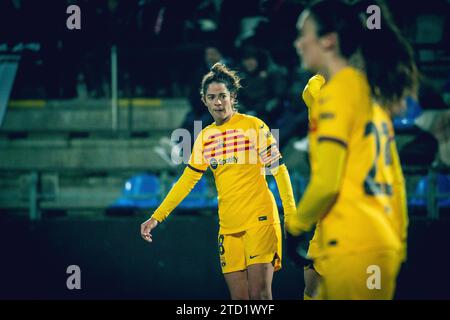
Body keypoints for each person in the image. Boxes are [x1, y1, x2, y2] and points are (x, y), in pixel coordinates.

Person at [286, 0, 416, 300]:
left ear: (328, 40)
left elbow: (326, 183)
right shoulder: (372, 94)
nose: (298, 43)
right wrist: (397, 240)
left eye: (303, 33)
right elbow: (395, 178)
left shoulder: (332, 94)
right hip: (378, 240)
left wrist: (294, 227)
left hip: (354, 240)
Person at [141, 63, 297, 300]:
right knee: (239, 300)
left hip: (260, 220)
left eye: (223, 96)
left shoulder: (253, 126)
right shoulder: (205, 137)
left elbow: (279, 170)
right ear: (204, 100)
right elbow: (187, 181)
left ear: (232, 97)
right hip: (228, 226)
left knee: (261, 296)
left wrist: (291, 215)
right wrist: (156, 217)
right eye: (212, 97)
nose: (218, 102)